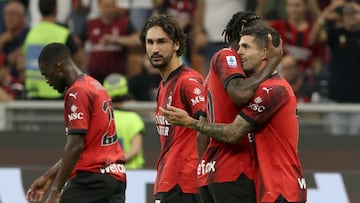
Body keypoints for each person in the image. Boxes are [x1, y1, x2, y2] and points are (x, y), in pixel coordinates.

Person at [161, 26, 307, 203]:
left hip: (282, 187)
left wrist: (191, 123)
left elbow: (233, 133)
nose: (239, 52)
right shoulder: (263, 88)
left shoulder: (273, 90)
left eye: (246, 47)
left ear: (264, 53)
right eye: (239, 47)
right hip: (269, 186)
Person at [191, 11, 283, 203]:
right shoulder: (227, 56)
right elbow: (240, 94)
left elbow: (202, 135)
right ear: (243, 31)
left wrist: (203, 169)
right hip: (234, 167)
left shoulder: (213, 76)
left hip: (213, 170)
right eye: (259, 32)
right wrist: (273, 63)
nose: (264, 36)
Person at [25, 43, 126, 203]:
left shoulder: (76, 93)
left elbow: (75, 146)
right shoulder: (94, 85)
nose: (47, 81)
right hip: (115, 177)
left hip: (91, 180)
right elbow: (85, 146)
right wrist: (48, 177)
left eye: (46, 75)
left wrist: (56, 190)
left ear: (58, 67)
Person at [139, 14, 205, 202]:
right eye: (150, 43)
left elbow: (208, 125)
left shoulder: (189, 81)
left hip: (186, 182)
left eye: (161, 42)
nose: (155, 49)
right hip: (169, 178)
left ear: (176, 44)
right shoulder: (163, 85)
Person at [23, 0, 87, 99]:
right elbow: (81, 61)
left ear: (39, 10)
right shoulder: (63, 33)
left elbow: (23, 60)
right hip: (57, 93)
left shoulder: (31, 33)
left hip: (33, 94)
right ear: (56, 9)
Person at [84, 0, 141, 83]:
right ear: (99, 6)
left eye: (112, 6)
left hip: (118, 78)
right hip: (95, 78)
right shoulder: (91, 24)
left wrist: (116, 39)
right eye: (107, 6)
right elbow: (77, 43)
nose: (110, 10)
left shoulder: (124, 23)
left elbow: (138, 40)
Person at [103, 73, 146, 169]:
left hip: (108, 172)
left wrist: (111, 163)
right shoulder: (134, 118)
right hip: (132, 172)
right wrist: (119, 161)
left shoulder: (103, 118)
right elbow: (135, 149)